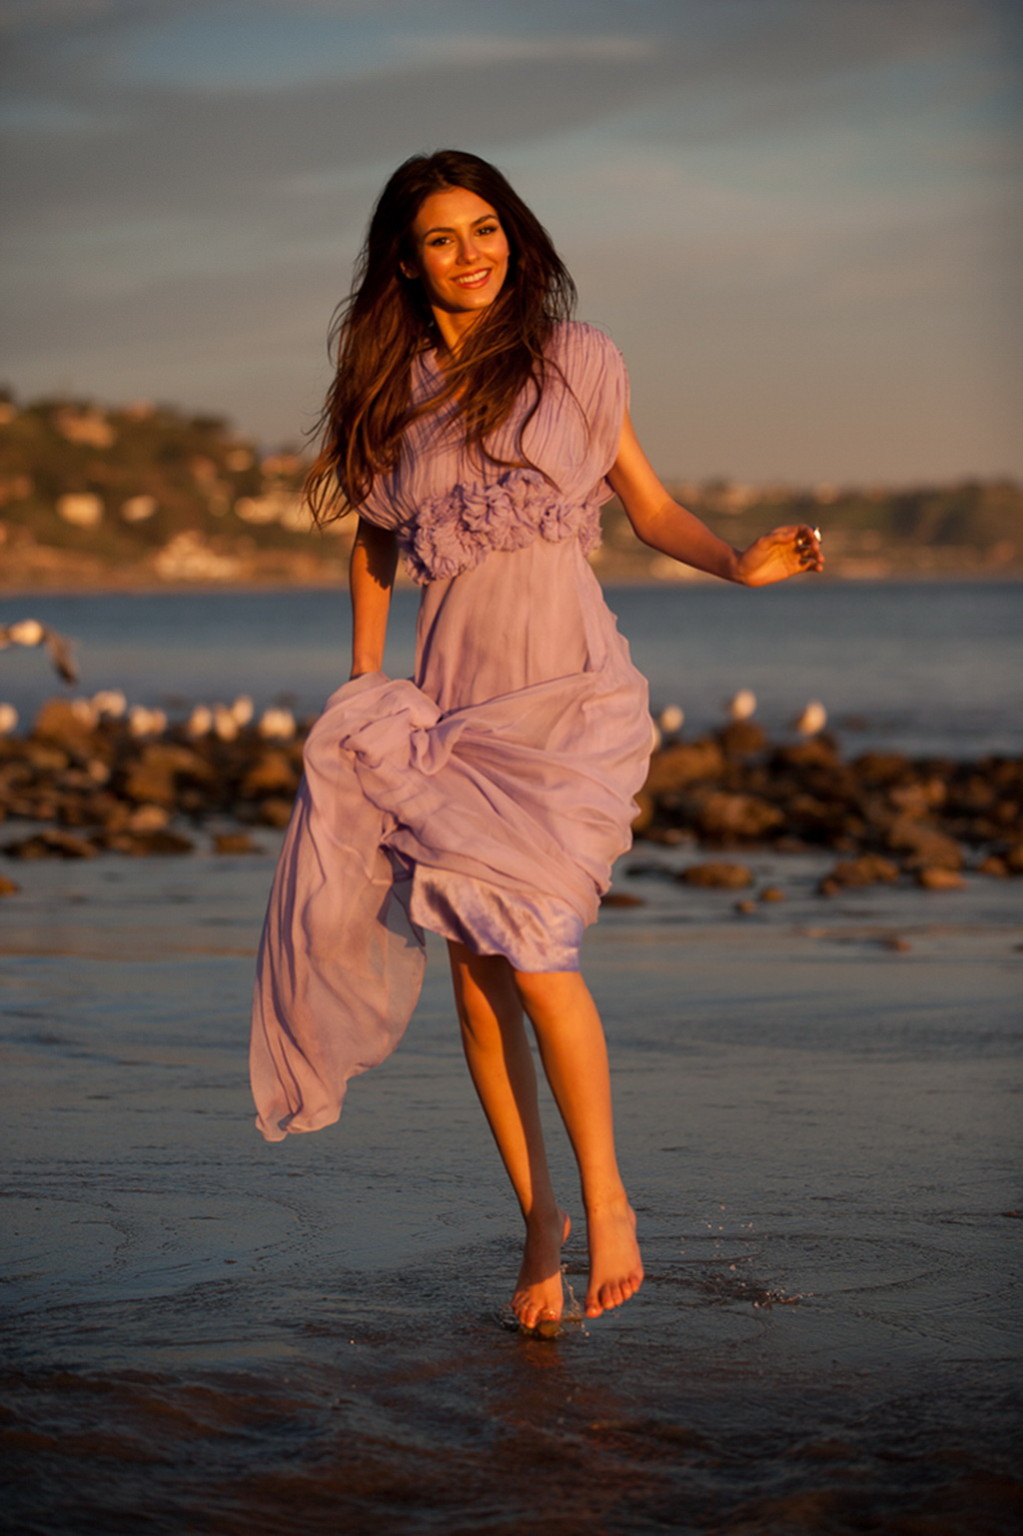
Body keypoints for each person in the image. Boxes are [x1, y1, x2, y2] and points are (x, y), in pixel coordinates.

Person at [250, 150, 823, 1333]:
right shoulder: (389, 396)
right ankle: (538, 1219)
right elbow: (370, 543)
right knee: (476, 984)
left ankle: (607, 1203)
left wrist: (738, 562)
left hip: (568, 703)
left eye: (487, 228)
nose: (472, 252)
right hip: (452, 716)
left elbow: (650, 505)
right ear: (406, 261)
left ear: (515, 234)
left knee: (542, 955)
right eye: (444, 238)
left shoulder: (582, 360)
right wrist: (366, 684)